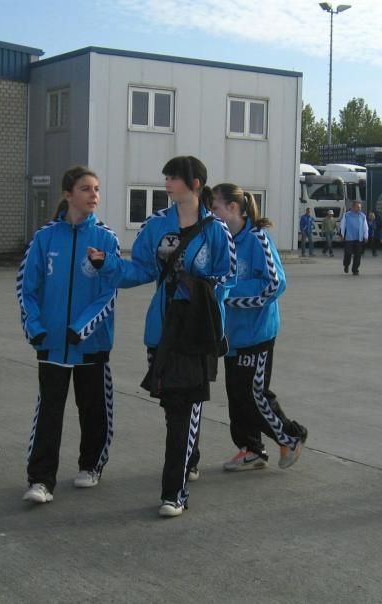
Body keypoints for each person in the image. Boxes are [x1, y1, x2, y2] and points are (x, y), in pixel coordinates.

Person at [98, 156, 235, 517]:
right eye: (167, 177)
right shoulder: (156, 224)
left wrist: (198, 291)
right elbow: (140, 269)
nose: (167, 183)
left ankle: (175, 492)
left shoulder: (216, 230)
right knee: (174, 408)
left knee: (184, 410)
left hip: (197, 333)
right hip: (161, 331)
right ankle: (188, 460)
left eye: (173, 177)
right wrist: (106, 264)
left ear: (195, 183)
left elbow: (228, 276)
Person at [16, 166, 120, 504]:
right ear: (67, 194)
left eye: (96, 188)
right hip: (52, 343)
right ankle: (40, 480)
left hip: (91, 342)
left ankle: (91, 465)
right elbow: (27, 289)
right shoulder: (44, 238)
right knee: (48, 413)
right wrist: (35, 327)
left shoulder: (105, 238)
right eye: (86, 188)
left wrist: (82, 328)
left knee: (93, 409)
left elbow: (109, 292)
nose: (94, 195)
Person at [210, 183, 308, 473]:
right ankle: (251, 449)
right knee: (236, 396)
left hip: (256, 334)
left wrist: (227, 294)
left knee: (254, 395)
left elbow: (274, 284)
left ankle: (290, 436)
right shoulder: (222, 240)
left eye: (215, 207)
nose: (211, 213)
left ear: (233, 208)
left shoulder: (257, 239)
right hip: (232, 336)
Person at [339, 201, 368, 275]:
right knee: (348, 253)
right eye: (358, 207)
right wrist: (342, 235)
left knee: (358, 255)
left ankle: (355, 270)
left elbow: (365, 227)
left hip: (359, 238)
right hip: (349, 238)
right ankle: (346, 265)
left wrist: (366, 236)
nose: (359, 209)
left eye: (360, 207)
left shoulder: (362, 216)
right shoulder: (346, 215)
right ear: (353, 207)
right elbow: (343, 225)